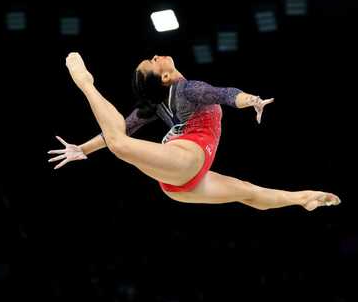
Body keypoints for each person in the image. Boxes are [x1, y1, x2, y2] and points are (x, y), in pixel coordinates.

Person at [49, 53, 340, 211]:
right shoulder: (188, 89)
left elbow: (226, 94)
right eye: (152, 62)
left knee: (250, 194)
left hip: (182, 181)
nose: (155, 55)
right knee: (118, 143)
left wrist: (83, 149)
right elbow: (224, 94)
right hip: (187, 161)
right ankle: (85, 83)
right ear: (164, 77)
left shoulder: (166, 99)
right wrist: (250, 100)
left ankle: (303, 198)